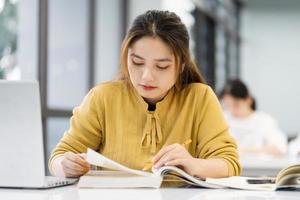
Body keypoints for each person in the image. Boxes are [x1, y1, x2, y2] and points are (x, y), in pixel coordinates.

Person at [49, 10, 240, 180]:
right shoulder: (103, 98)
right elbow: (59, 157)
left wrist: (193, 164)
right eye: (137, 62)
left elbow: (229, 164)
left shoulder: (199, 98)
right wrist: (65, 165)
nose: (146, 76)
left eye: (162, 66)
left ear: (182, 65)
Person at [220, 79, 287, 156]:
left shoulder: (265, 120)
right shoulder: (222, 119)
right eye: (227, 105)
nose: (232, 110)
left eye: (236, 105)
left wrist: (238, 151)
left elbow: (279, 148)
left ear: (248, 100)